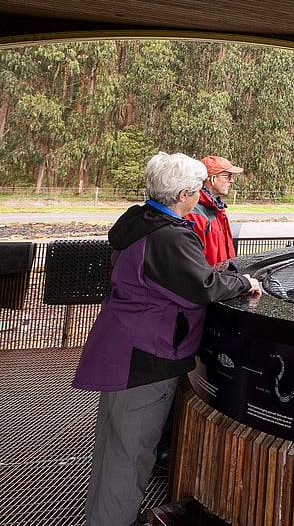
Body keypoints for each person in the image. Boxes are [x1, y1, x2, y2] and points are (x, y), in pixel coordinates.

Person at [72, 152, 261, 526]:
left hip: (121, 349)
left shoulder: (140, 222)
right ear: (183, 194)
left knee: (112, 451)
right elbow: (203, 284)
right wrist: (245, 283)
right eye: (194, 190)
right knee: (131, 457)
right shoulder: (168, 236)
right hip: (146, 357)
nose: (197, 195)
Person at [184, 155, 243, 267]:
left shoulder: (217, 208)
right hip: (209, 281)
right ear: (211, 178)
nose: (232, 181)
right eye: (227, 176)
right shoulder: (193, 213)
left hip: (222, 279)